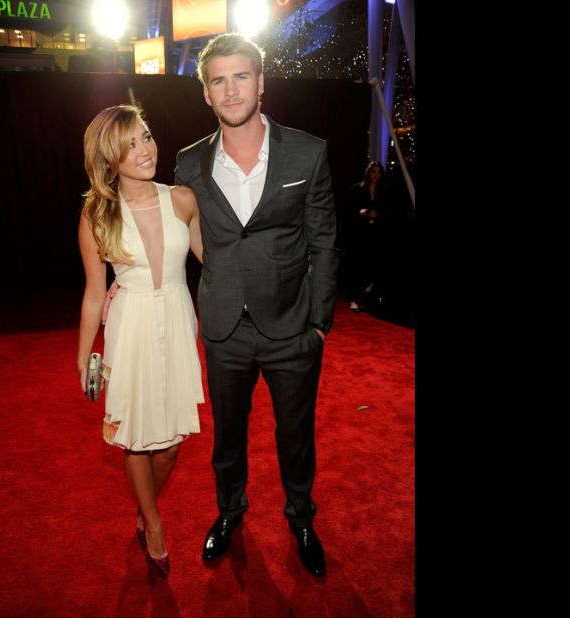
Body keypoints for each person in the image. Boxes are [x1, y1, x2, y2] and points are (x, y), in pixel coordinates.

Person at [174, 33, 338, 577]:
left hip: (293, 326)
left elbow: (324, 241)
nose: (231, 89)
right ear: (206, 94)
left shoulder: (306, 151)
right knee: (227, 436)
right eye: (218, 80)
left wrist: (317, 323)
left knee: (296, 435)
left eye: (241, 76)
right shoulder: (189, 163)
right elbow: (181, 234)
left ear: (261, 82)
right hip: (224, 329)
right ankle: (229, 512)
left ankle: (301, 518)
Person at [76, 104, 204, 576]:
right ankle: (152, 522)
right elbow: (93, 294)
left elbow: (214, 261)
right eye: (130, 144)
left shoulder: (183, 199)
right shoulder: (96, 215)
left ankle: (146, 508)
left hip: (176, 317)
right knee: (135, 438)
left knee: (170, 444)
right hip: (128, 328)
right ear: (110, 157)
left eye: (146, 136)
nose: (144, 149)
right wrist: (83, 353)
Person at [342, 160, 385, 313]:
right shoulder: (357, 189)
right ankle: (353, 298)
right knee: (356, 266)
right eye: (373, 171)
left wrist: (378, 214)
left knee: (373, 266)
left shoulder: (384, 191)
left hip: (376, 235)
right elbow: (346, 210)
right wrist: (360, 212)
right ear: (368, 172)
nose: (376, 175)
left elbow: (391, 211)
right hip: (359, 234)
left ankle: (367, 294)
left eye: (379, 172)